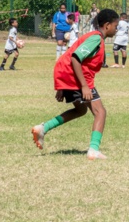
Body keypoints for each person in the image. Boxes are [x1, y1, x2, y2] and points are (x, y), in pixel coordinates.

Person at [31, 9, 119, 160]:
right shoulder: (96, 38)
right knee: (100, 112)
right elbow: (76, 57)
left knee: (80, 110)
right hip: (76, 78)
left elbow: (67, 58)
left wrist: (61, 86)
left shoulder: (93, 37)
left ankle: (43, 128)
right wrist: (84, 86)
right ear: (107, 25)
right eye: (116, 26)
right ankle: (93, 150)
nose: (116, 30)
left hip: (67, 76)